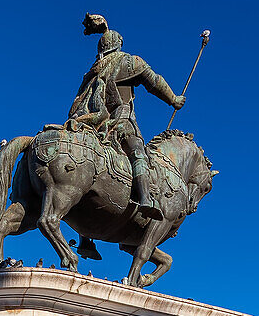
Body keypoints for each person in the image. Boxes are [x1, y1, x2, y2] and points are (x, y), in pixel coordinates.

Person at [67, 13, 185, 223]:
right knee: (138, 152)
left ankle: (86, 237)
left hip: (90, 124)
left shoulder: (92, 72)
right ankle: (145, 198)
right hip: (118, 122)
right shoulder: (127, 61)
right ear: (118, 44)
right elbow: (155, 82)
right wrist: (173, 99)